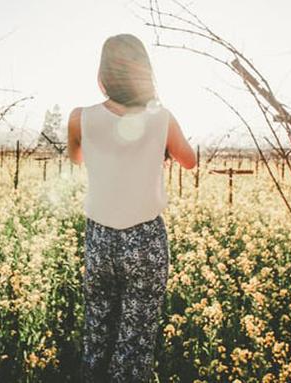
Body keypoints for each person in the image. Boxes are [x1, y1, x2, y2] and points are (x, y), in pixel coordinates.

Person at [66, 33, 196, 382]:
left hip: (99, 237)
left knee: (98, 329)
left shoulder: (80, 117)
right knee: (135, 339)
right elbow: (190, 161)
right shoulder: (161, 117)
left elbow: (77, 156)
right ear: (144, 73)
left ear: (103, 74)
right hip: (146, 238)